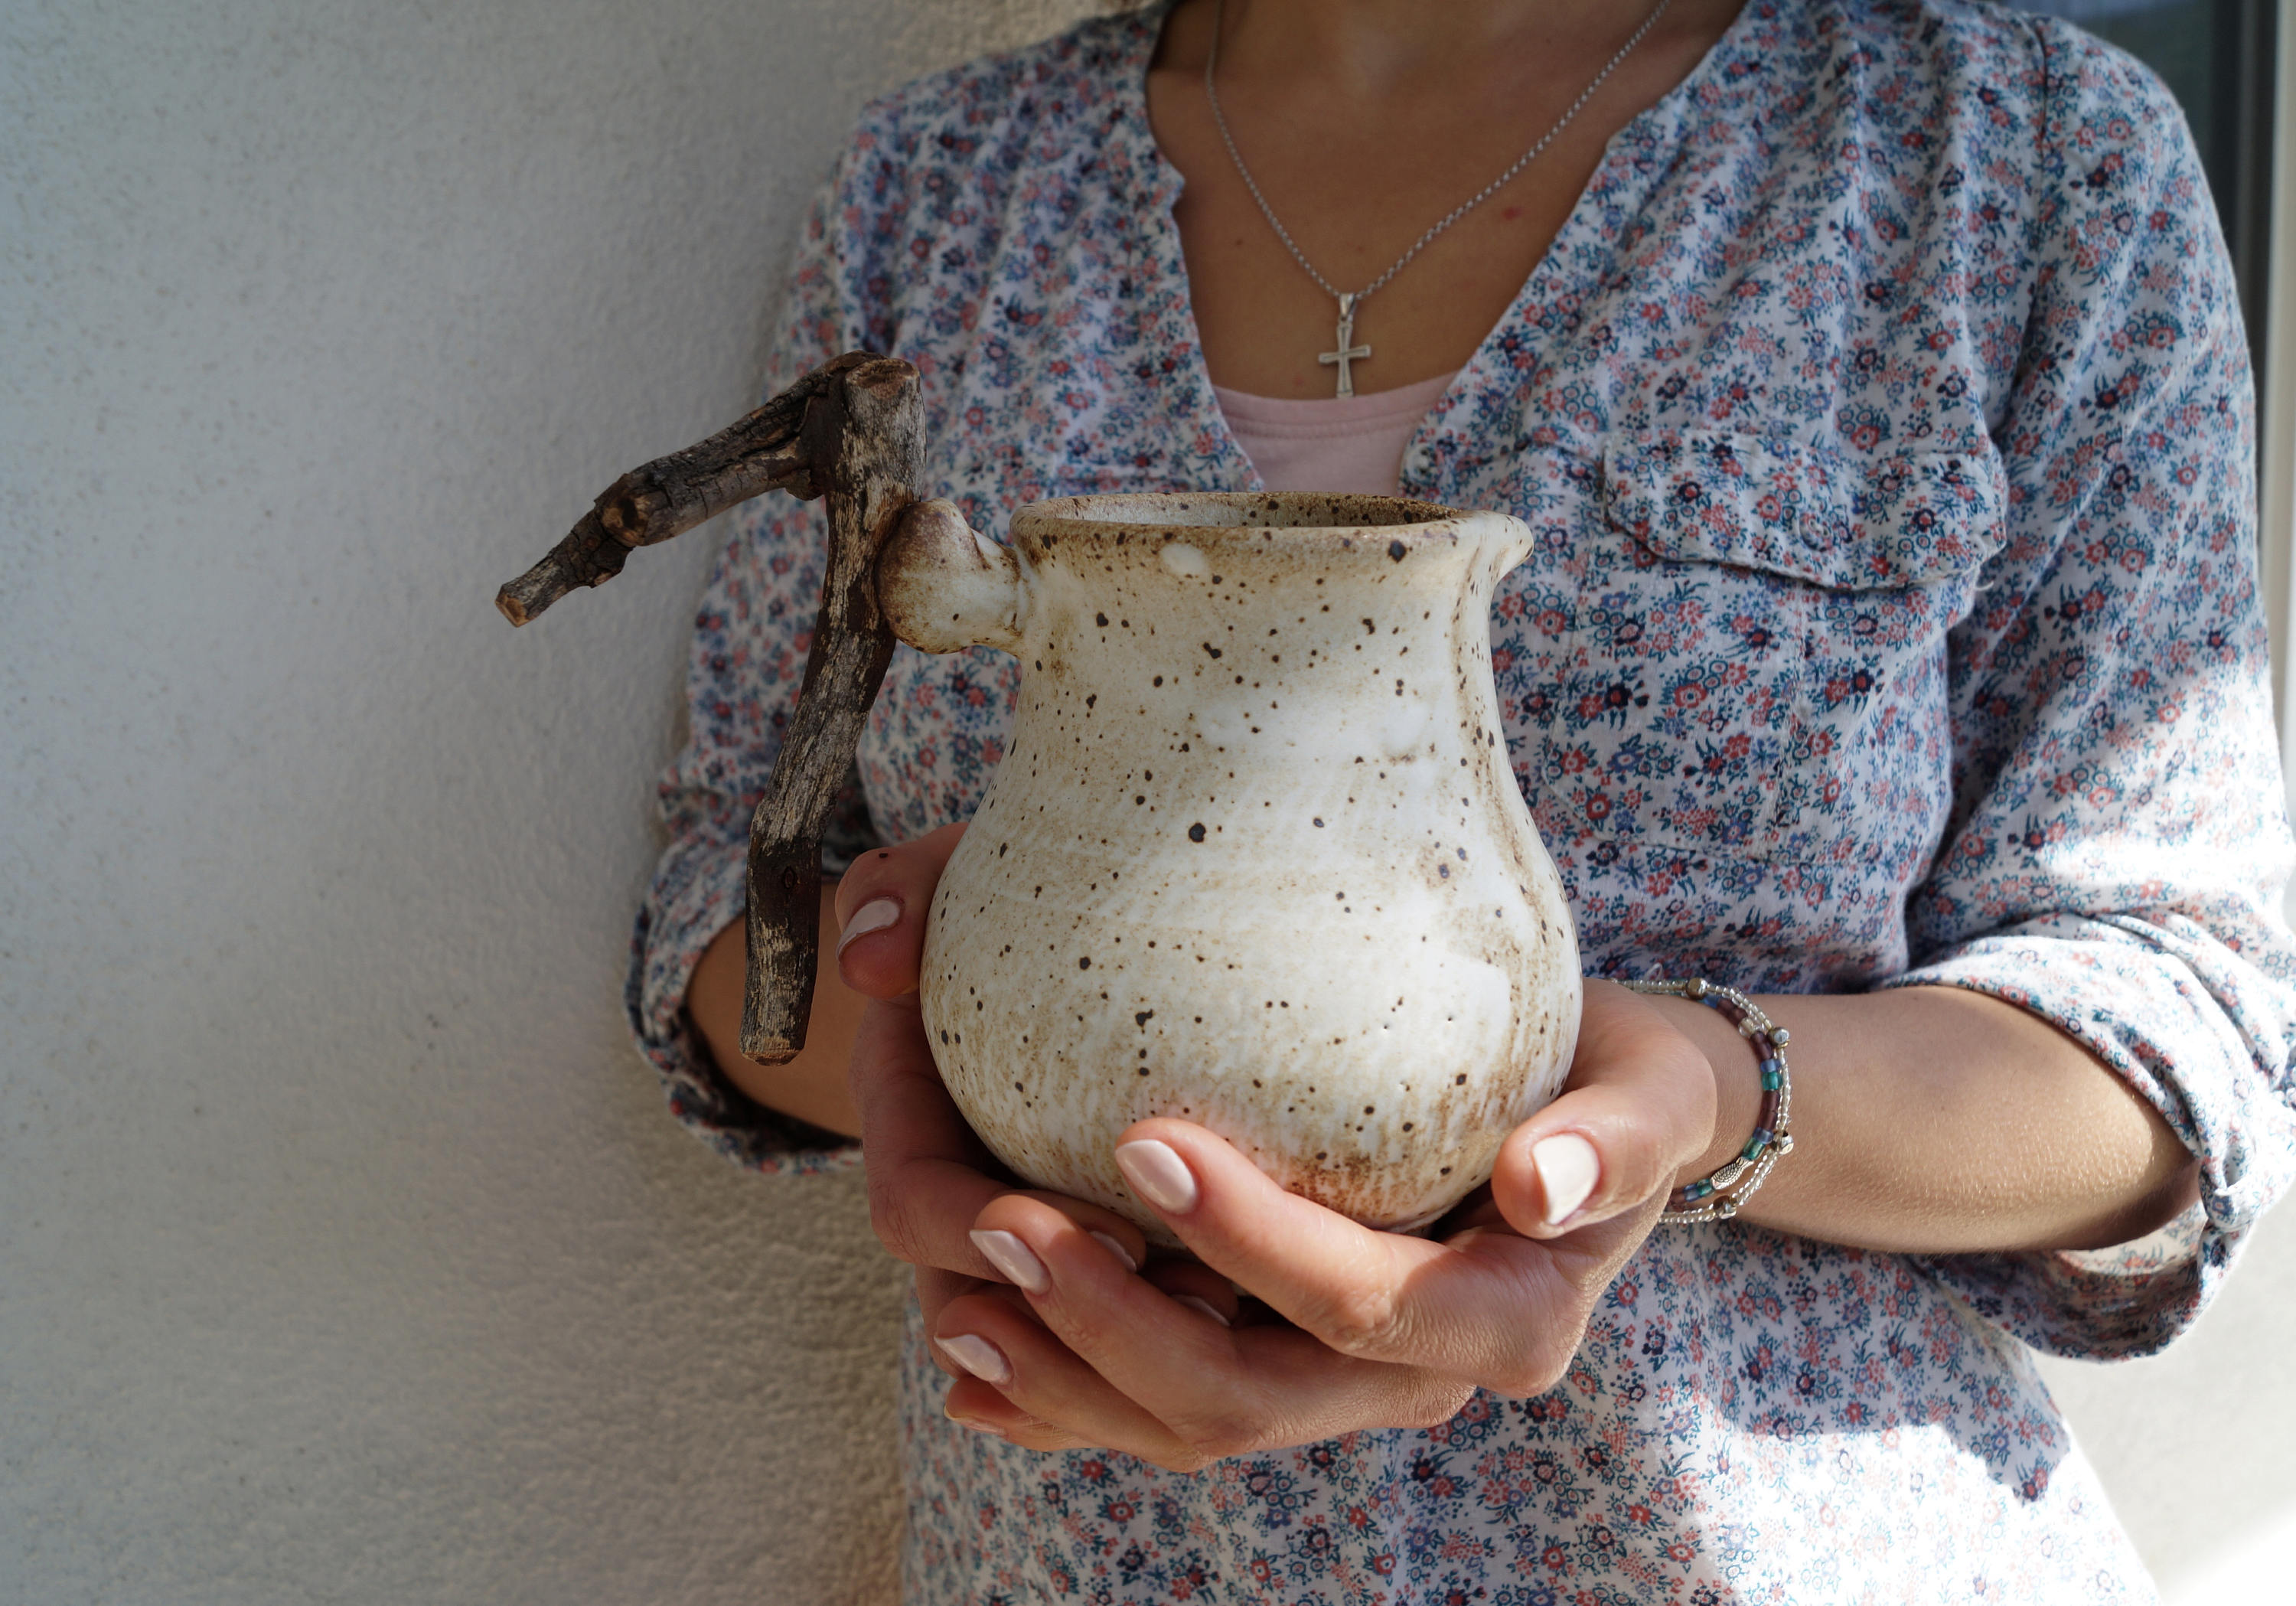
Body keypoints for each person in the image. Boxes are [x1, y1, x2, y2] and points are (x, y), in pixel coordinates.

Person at [631, 0, 2296, 1598]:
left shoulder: (2008, 159)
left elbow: (2180, 1014)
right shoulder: (944, 190)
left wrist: (1702, 1094)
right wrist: (924, 1030)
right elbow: (734, 881)